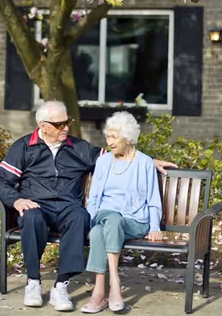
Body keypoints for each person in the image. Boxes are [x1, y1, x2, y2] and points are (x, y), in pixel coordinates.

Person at [0, 101, 176, 312]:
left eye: (67, 122)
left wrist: (149, 162)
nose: (66, 128)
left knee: (80, 217)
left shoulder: (78, 148)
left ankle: (61, 286)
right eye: (60, 124)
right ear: (43, 126)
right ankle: (33, 281)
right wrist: (17, 200)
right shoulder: (23, 147)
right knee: (32, 218)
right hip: (36, 204)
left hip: (68, 207)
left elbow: (119, 154)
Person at [81, 111, 164, 314]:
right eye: (108, 136)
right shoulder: (103, 162)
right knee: (110, 218)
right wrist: (89, 222)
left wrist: (154, 227)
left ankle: (99, 293)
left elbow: (153, 199)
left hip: (134, 221)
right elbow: (94, 199)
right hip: (105, 215)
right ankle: (115, 283)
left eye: (114, 137)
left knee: (100, 233)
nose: (109, 141)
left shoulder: (145, 163)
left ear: (127, 138)